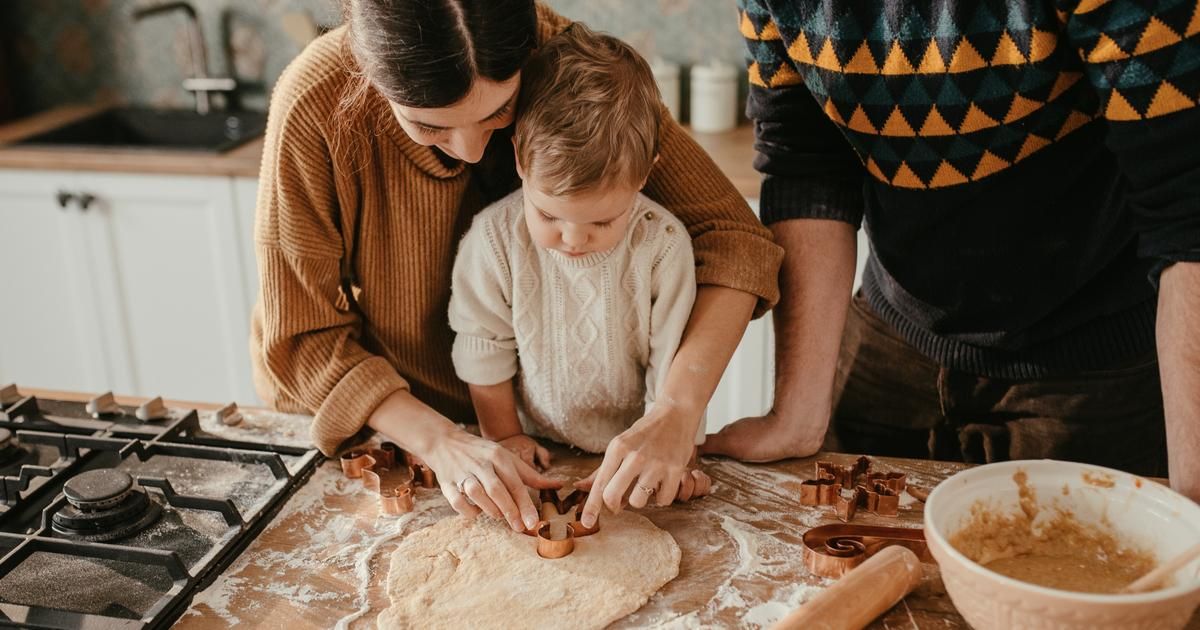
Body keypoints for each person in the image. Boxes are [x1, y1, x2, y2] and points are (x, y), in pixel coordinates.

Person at [250, 0, 783, 535]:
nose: (473, 151)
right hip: (389, 426)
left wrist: (675, 411)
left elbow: (736, 240)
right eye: (427, 125)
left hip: (536, 439)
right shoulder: (315, 100)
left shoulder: (569, 62)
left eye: (497, 114)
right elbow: (304, 338)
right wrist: (441, 440)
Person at [705, 0, 1200, 501]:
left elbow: (1187, 209)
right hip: (891, 335)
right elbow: (806, 160)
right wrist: (796, 412)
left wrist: (1194, 494)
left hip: (1091, 362)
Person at [448, 24, 712, 508]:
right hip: (534, 446)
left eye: (602, 221)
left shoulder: (663, 246)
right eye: (548, 214)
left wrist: (681, 455)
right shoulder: (492, 241)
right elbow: (482, 349)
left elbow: (671, 369)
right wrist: (505, 438)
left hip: (633, 447)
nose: (571, 239)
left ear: (645, 173)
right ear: (521, 162)